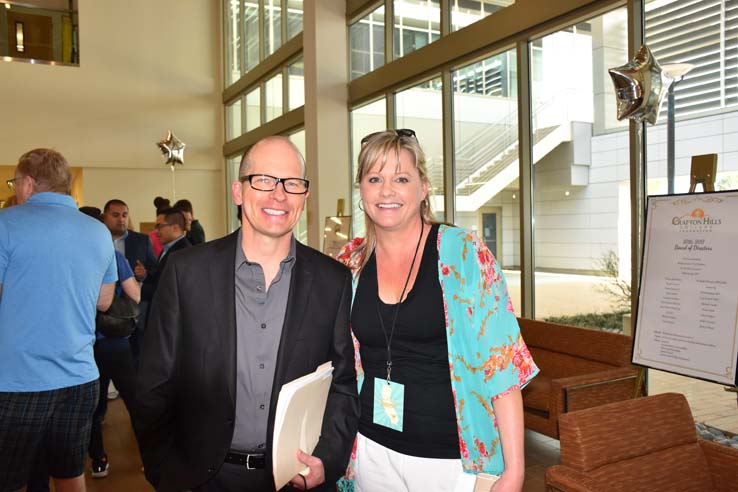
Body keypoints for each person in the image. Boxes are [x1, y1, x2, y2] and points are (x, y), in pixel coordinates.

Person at [136, 136, 359, 492]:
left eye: (292, 183)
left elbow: (342, 385)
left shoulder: (332, 280)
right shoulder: (186, 272)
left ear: (305, 196)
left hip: (292, 479)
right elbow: (153, 383)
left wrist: (327, 460)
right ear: (238, 192)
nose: (279, 195)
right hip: (201, 478)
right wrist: (164, 472)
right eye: (264, 180)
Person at [336, 130, 539, 492]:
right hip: (370, 448)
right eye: (374, 179)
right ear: (361, 190)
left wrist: (515, 469)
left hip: (450, 459)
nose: (387, 191)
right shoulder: (350, 263)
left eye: (401, 178)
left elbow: (502, 365)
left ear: (423, 187)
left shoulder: (462, 254)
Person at [0, 148, 117, 492]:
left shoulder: (5, 224)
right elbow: (105, 301)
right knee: (68, 473)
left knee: (10, 480)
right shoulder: (97, 232)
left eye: (15, 182)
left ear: (29, 183)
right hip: (80, 378)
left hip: (19, 380)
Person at [80, 206, 142, 479]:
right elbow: (136, 297)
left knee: (93, 409)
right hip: (115, 344)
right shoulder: (113, 256)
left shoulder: (68, 258)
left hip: (82, 345)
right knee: (134, 402)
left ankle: (99, 460)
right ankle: (149, 456)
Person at [140, 207, 191, 304]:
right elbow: (159, 278)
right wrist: (145, 275)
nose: (156, 231)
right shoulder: (167, 248)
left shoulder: (183, 252)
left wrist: (137, 288)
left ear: (175, 228)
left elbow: (167, 288)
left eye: (159, 226)